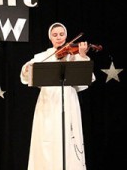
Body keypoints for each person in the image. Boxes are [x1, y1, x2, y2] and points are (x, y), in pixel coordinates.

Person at [20, 22, 95, 170]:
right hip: (48, 102)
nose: (59, 38)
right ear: (50, 38)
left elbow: (88, 78)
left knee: (68, 139)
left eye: (61, 34)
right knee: (47, 139)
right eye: (55, 35)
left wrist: (82, 55)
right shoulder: (43, 56)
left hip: (68, 101)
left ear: (66, 36)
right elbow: (25, 75)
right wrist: (27, 69)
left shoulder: (73, 55)